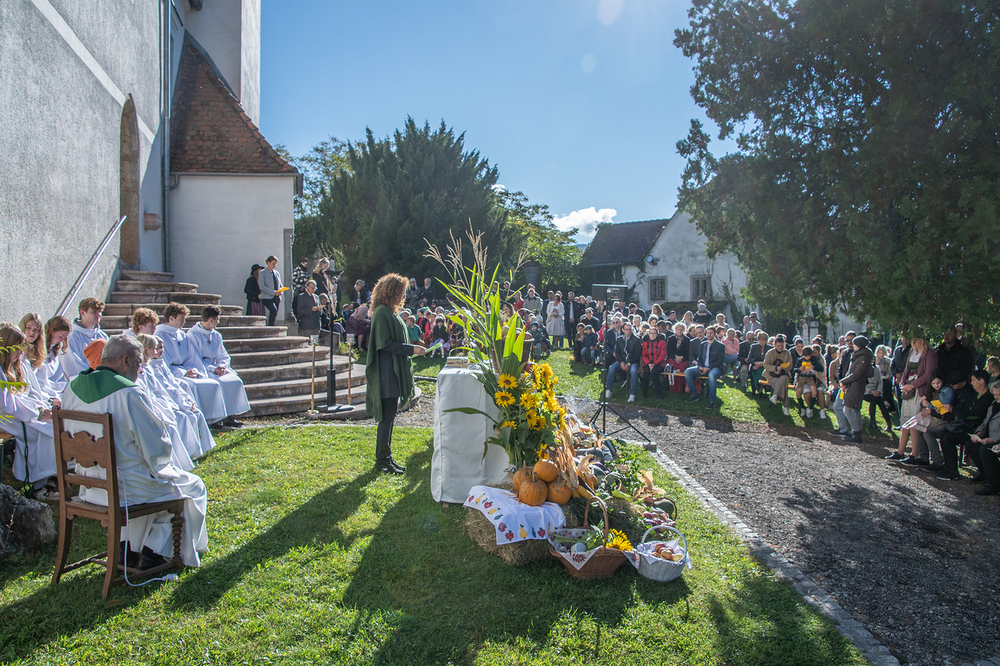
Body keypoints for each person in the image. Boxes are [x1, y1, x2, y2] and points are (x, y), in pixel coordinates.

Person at [60, 334, 208, 569]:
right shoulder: (129, 393)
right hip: (123, 487)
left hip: (88, 484)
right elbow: (156, 448)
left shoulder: (72, 388)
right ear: (126, 360)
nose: (141, 369)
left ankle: (127, 549)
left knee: (149, 481)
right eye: (140, 362)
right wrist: (161, 465)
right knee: (191, 486)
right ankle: (154, 553)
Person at [364, 274, 426, 475]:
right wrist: (412, 349)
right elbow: (385, 344)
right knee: (386, 418)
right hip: (386, 373)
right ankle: (382, 461)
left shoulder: (389, 312)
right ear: (391, 291)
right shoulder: (382, 312)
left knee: (390, 417)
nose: (404, 295)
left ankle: (386, 458)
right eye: (401, 291)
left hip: (392, 372)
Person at [1, 324, 58, 499]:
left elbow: (19, 396)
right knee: (40, 432)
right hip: (6, 417)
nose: (20, 352)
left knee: (50, 426)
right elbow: (6, 405)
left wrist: (40, 409)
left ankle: (49, 478)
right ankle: (38, 485)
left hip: (16, 413)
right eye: (17, 347)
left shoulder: (12, 366)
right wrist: (37, 414)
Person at [154, 302, 227, 424]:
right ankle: (201, 419)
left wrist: (193, 370)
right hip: (174, 373)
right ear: (171, 318)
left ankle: (214, 418)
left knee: (212, 383)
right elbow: (163, 363)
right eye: (181, 319)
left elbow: (192, 357)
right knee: (192, 386)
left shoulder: (182, 334)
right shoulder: (160, 335)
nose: (184, 322)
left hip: (187, 370)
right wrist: (183, 372)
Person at [185, 306, 251, 426]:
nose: (218, 322)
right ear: (211, 320)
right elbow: (195, 359)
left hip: (216, 367)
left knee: (234, 381)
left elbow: (223, 355)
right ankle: (213, 418)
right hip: (203, 368)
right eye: (217, 319)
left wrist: (222, 366)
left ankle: (229, 416)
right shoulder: (193, 335)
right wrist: (212, 369)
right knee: (214, 384)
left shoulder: (216, 335)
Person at [62, 297, 110, 380]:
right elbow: (74, 362)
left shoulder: (103, 336)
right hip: (83, 380)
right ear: (82, 313)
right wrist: (93, 376)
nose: (99, 315)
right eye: (94, 312)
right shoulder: (72, 336)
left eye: (99, 312)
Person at [839, 335, 874, 443]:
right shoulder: (858, 355)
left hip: (857, 386)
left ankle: (856, 432)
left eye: (854, 343)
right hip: (852, 384)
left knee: (848, 410)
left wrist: (843, 381)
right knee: (855, 409)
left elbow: (856, 374)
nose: (852, 345)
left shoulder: (864, 357)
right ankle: (856, 433)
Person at [968, 382, 1000, 495]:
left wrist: (996, 441)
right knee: (971, 445)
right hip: (990, 437)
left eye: (999, 395)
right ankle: (985, 474)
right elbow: (985, 422)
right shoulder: (993, 405)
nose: (996, 397)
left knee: (985, 450)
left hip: (997, 440)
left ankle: (994, 485)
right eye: (995, 394)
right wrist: (979, 433)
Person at [685, 325, 726, 408]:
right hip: (703, 367)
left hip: (715, 368)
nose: (709, 335)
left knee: (711, 375)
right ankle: (694, 395)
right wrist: (700, 366)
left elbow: (719, 361)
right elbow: (699, 358)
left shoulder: (720, 346)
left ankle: (712, 401)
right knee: (688, 372)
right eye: (708, 333)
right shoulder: (703, 344)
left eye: (711, 333)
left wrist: (708, 368)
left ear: (715, 333)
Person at [605, 321, 641, 402]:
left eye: (630, 329)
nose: (628, 331)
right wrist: (621, 362)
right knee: (611, 368)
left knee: (634, 371)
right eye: (627, 329)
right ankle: (609, 390)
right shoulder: (619, 339)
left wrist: (629, 363)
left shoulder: (636, 340)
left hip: (632, 361)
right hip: (622, 360)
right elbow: (617, 353)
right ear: (623, 330)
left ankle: (632, 394)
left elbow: (637, 355)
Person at [763, 334, 793, 415]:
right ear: (775, 345)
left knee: (784, 379)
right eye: (778, 346)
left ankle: (775, 395)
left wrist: (782, 369)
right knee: (784, 386)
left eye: (782, 346)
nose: (780, 348)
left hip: (783, 374)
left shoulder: (787, 353)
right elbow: (765, 365)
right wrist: (775, 369)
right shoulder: (770, 353)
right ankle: (786, 407)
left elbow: (790, 365)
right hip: (771, 376)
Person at [640, 324, 667, 399]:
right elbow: (643, 355)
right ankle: (644, 392)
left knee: (655, 372)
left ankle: (659, 392)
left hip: (659, 363)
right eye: (651, 333)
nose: (652, 335)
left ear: (657, 334)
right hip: (648, 363)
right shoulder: (645, 343)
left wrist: (654, 363)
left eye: (654, 333)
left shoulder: (662, 342)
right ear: (648, 334)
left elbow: (663, 355)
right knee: (646, 372)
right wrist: (649, 364)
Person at [257, 255, 283, 326]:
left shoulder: (277, 273)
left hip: (277, 297)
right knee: (273, 310)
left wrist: (281, 290)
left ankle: (272, 325)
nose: (274, 266)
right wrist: (274, 293)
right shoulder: (262, 273)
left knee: (274, 313)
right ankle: (271, 326)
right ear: (268, 262)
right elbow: (262, 286)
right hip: (267, 297)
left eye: (275, 264)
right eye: (273, 264)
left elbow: (280, 284)